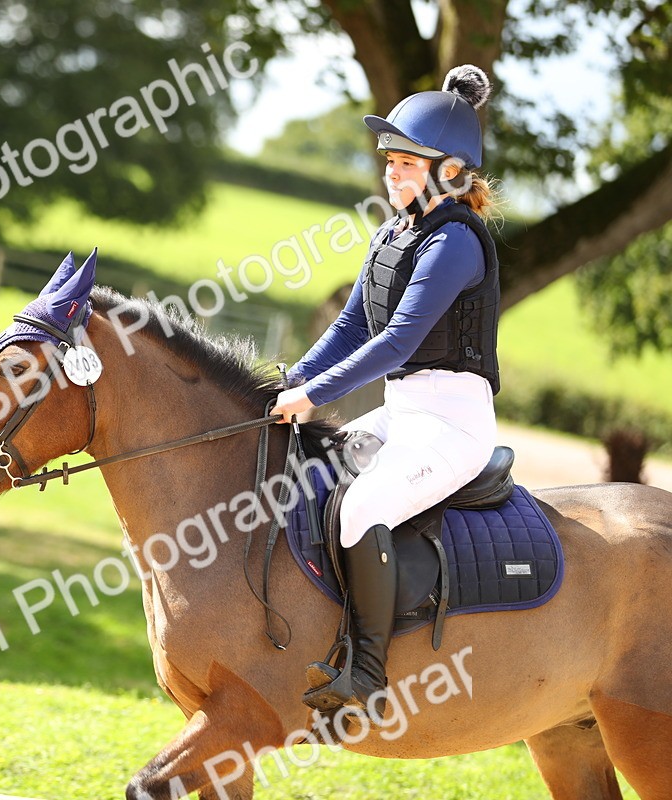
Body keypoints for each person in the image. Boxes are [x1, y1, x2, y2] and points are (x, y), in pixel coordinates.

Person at [268, 65, 501, 717]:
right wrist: (287, 383)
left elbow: (396, 342)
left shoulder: (454, 241)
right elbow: (350, 327)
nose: (392, 174)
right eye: (390, 161)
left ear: (450, 172)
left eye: (406, 163)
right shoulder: (394, 234)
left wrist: (314, 397)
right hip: (404, 412)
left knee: (363, 504)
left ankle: (367, 672)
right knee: (317, 479)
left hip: (453, 424)